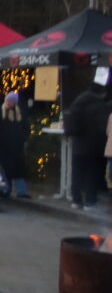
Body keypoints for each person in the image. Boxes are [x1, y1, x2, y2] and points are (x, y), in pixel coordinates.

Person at [64, 83, 109, 211]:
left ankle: (76, 200)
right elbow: (103, 128)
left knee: (77, 173)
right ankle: (90, 202)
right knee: (92, 175)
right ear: (102, 93)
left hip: (78, 144)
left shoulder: (77, 103)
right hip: (94, 146)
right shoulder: (100, 106)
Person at [0, 91, 31, 199]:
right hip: (3, 147)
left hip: (17, 147)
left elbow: (27, 128)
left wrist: (22, 138)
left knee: (19, 170)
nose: (8, 102)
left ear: (14, 102)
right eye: (7, 100)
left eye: (10, 101)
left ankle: (22, 191)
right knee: (3, 169)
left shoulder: (20, 113)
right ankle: (5, 189)